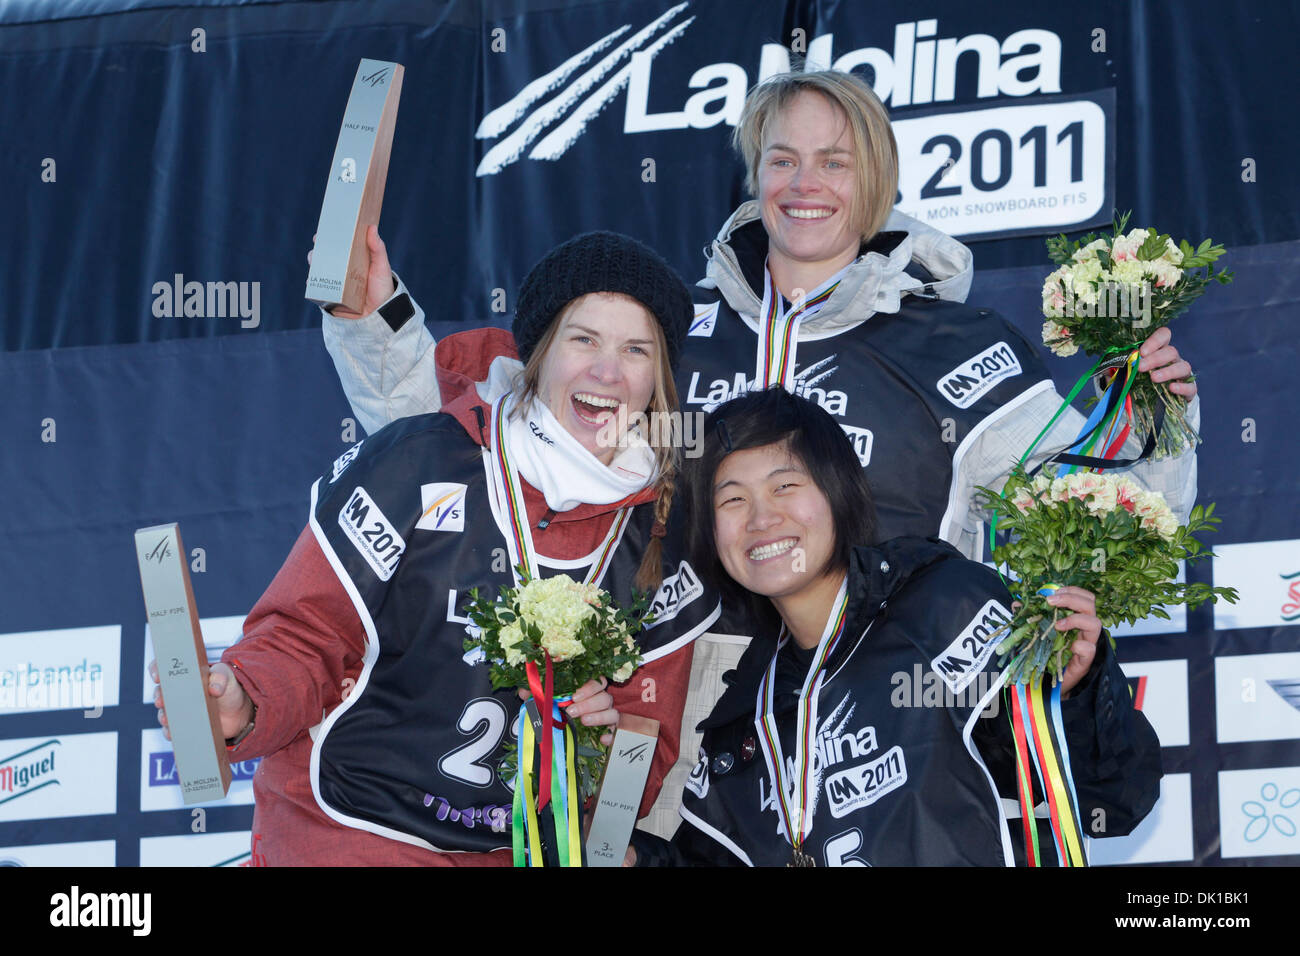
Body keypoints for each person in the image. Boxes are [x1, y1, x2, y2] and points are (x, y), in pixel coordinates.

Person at [309, 68, 1200, 836]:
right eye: (782, 158)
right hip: (666, 725)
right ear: (753, 173)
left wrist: (1154, 421)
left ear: (875, 179)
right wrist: (369, 311)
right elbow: (476, 423)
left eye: (833, 161)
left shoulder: (960, 348)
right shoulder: (670, 333)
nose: (804, 183)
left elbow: (1093, 527)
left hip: (873, 730)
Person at [153, 232, 721, 864]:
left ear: (660, 377)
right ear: (538, 353)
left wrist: (602, 741)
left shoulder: (666, 539)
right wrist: (244, 699)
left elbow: (643, 756)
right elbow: (307, 634)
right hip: (349, 833)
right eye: (582, 339)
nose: (607, 371)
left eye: (635, 349)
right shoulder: (423, 461)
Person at [627, 388, 1161, 866]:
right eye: (733, 499)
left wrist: (1074, 694)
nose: (760, 518)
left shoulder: (945, 607)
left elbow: (1111, 799)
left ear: (838, 491)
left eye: (785, 485)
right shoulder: (745, 717)